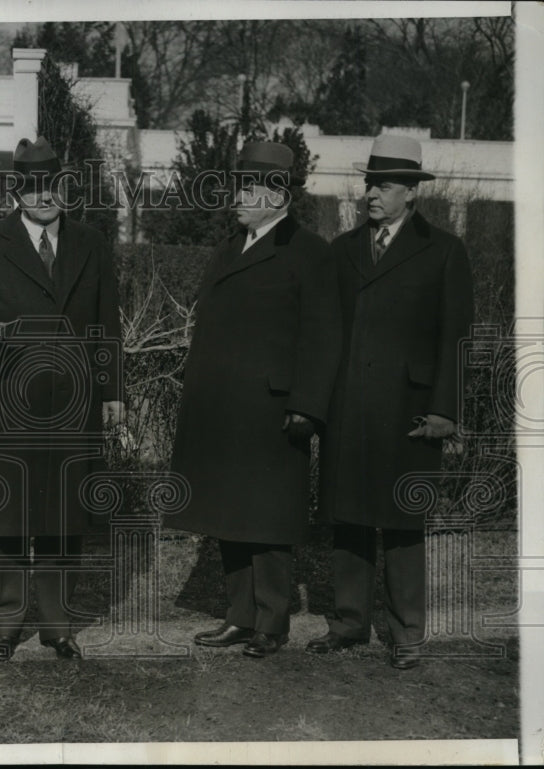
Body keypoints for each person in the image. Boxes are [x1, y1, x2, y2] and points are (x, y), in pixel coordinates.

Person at [0, 137, 125, 662]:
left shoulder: (91, 243)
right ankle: (7, 623)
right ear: (16, 192)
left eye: (52, 184)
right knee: (9, 518)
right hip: (8, 399)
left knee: (63, 517)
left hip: (75, 403)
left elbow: (106, 319)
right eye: (32, 186)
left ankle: (56, 625)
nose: (43, 195)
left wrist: (112, 390)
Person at [170, 142, 342, 658]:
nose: (235, 199)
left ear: (276, 193)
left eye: (246, 189)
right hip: (223, 408)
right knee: (229, 516)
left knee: (268, 521)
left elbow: (323, 335)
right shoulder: (230, 248)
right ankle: (239, 617)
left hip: (274, 410)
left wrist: (307, 405)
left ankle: (272, 621)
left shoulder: (310, 251)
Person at [309, 134, 474, 669]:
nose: (371, 194)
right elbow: (327, 332)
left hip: (410, 409)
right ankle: (349, 623)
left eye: (384, 185)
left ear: (410, 192)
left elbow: (455, 337)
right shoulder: (343, 250)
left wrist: (445, 410)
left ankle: (407, 634)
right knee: (349, 516)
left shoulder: (445, 251)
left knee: (403, 522)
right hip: (348, 406)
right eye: (369, 183)